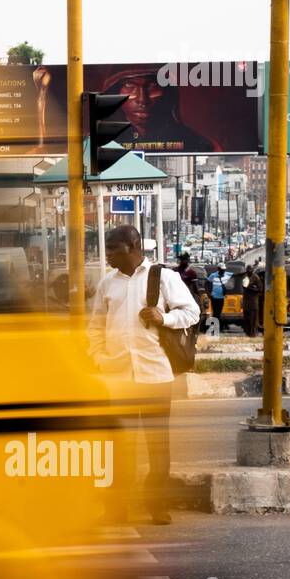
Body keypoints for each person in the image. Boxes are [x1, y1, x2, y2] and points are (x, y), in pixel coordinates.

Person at [88, 224, 200, 525]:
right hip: (118, 376)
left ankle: (156, 506)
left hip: (155, 374)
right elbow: (96, 326)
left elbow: (192, 312)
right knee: (117, 447)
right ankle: (116, 509)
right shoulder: (106, 284)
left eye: (114, 248)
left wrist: (164, 317)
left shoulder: (163, 277)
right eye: (108, 248)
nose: (108, 254)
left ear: (133, 247)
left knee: (157, 446)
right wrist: (98, 358)